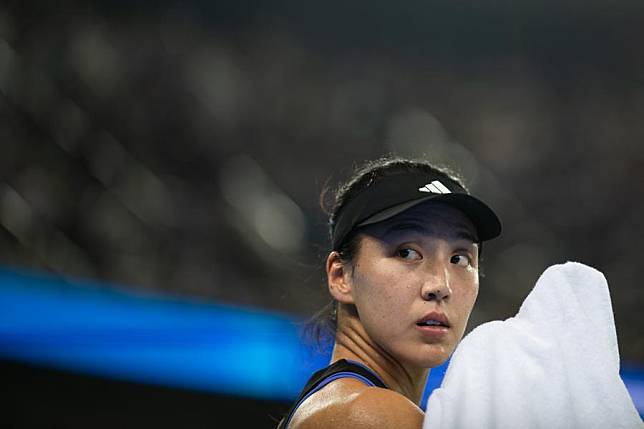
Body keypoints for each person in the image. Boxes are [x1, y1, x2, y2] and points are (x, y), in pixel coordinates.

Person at [277, 156, 502, 429]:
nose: (441, 286)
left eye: (460, 259)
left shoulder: (341, 405)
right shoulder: (365, 414)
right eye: (407, 253)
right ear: (341, 276)